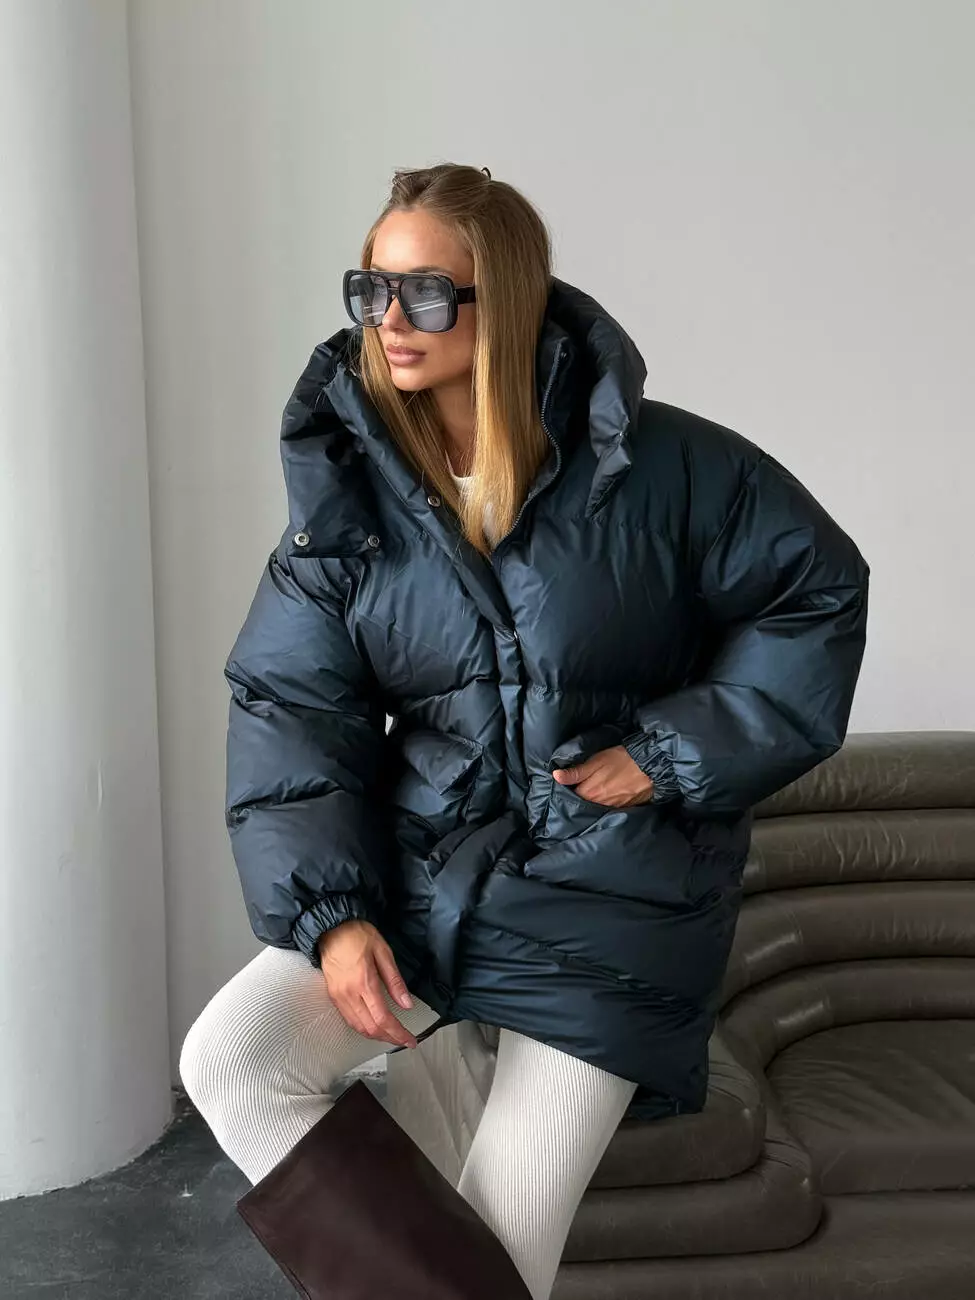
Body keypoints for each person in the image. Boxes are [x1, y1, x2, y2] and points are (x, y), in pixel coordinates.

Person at [180, 162, 869, 1298]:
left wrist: (664, 756)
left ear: (502, 299)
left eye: (425, 293)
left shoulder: (667, 470)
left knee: (498, 1230)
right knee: (235, 1059)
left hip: (615, 892)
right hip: (423, 872)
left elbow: (816, 592)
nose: (389, 320)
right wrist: (333, 914)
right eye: (370, 289)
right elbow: (292, 707)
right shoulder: (351, 488)